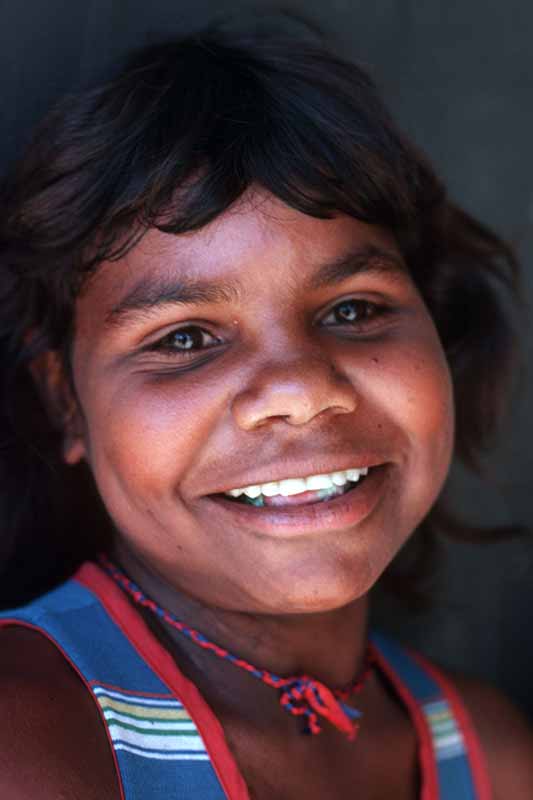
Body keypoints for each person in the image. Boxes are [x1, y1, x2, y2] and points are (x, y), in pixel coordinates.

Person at [0, 24, 532, 800]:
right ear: (64, 401)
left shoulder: (489, 753)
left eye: (353, 310)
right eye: (184, 337)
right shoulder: (30, 744)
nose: (300, 389)